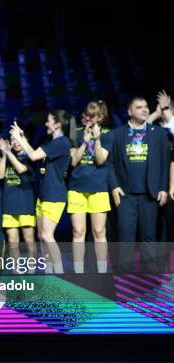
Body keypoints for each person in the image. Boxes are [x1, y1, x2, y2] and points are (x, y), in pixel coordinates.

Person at [11, 111, 74, 274]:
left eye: (49, 121)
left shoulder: (62, 142)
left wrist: (19, 138)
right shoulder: (49, 141)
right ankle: (48, 273)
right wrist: (22, 137)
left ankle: (60, 274)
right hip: (44, 195)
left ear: (57, 124)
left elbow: (32, 156)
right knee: (41, 236)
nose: (46, 124)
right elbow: (34, 153)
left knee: (47, 235)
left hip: (54, 196)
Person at [109, 97, 169, 248]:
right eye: (139, 107)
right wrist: (114, 186)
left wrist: (163, 188)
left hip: (150, 193)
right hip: (125, 194)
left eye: (146, 106)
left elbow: (164, 163)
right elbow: (109, 164)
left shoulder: (159, 134)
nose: (144, 110)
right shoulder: (117, 134)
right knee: (125, 237)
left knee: (149, 236)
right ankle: (123, 270)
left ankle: (149, 270)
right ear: (130, 112)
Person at [67, 101, 112, 274]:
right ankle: (78, 270)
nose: (88, 118)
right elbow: (73, 160)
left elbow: (101, 160)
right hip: (76, 188)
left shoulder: (108, 134)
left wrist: (97, 138)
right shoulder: (75, 133)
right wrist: (85, 142)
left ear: (100, 117)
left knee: (99, 231)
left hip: (99, 187)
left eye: (92, 115)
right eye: (86, 114)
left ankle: (102, 270)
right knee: (78, 231)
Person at [0, 137, 36, 272]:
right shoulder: (7, 155)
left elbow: (21, 169)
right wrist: (4, 155)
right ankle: (16, 269)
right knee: (12, 240)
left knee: (28, 238)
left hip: (25, 204)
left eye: (18, 139)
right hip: (9, 203)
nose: (15, 143)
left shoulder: (30, 156)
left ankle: (32, 268)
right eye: (13, 140)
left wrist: (8, 153)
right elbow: (1, 176)